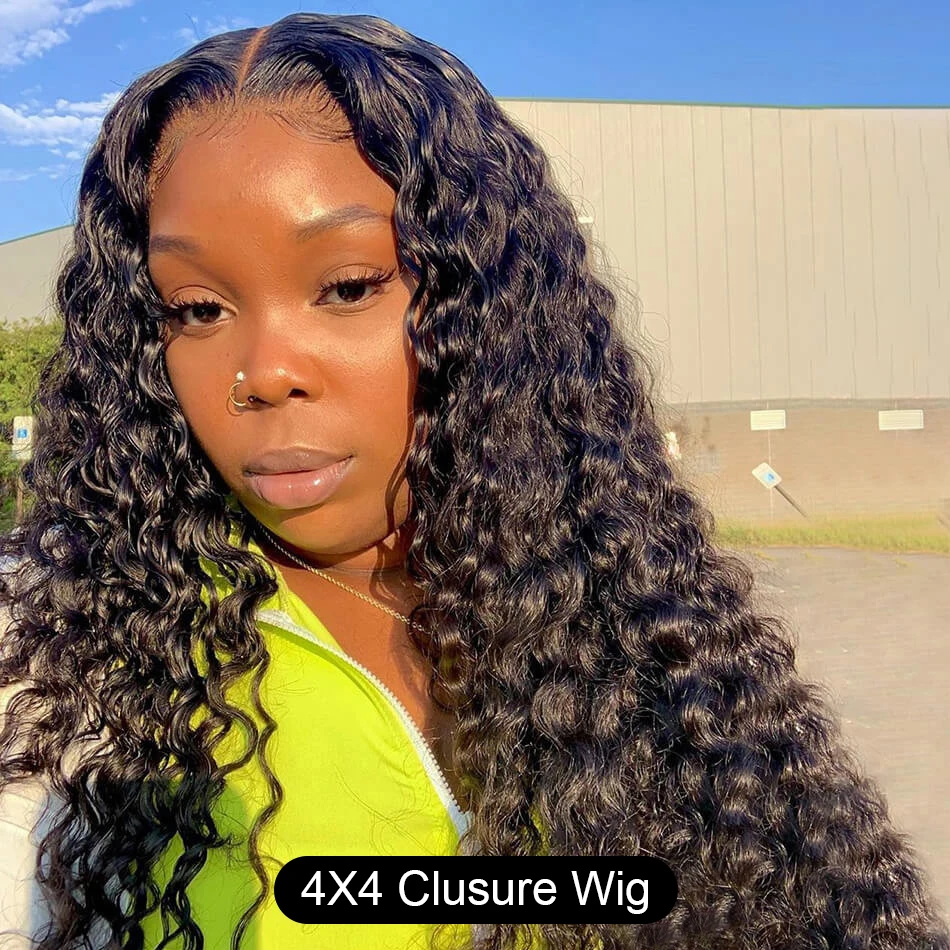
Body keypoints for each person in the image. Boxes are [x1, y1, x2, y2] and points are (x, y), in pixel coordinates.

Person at [0, 12, 946, 950]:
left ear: (487, 314)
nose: (265, 372)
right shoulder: (57, 672)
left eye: (349, 286)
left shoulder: (622, 611)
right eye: (198, 308)